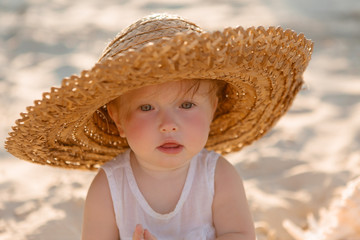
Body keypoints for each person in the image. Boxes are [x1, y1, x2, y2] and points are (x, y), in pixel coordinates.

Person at [5, 13, 313, 240]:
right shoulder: (109, 187)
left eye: (187, 105)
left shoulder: (218, 176)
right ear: (117, 119)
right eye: (147, 108)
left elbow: (238, 234)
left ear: (214, 109)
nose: (168, 125)